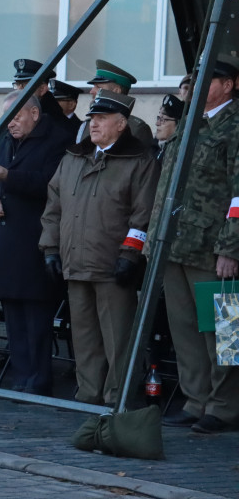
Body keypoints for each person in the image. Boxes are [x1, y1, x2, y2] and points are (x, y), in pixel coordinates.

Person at [40, 90, 157, 406]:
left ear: (121, 124)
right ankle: (89, 394)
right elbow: (54, 207)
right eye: (92, 117)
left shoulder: (138, 162)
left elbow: (142, 214)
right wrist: (51, 248)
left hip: (112, 265)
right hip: (76, 261)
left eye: (102, 118)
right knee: (85, 338)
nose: (93, 124)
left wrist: (130, 254)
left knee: (118, 338)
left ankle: (117, 398)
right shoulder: (73, 158)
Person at [149, 54, 239, 434]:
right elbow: (166, 186)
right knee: (185, 329)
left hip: (211, 248)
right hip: (176, 245)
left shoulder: (234, 127)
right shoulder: (189, 124)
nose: (199, 86)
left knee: (224, 330)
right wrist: (154, 239)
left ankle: (225, 406)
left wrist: (231, 247)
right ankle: (196, 399)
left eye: (209, 79)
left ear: (229, 84)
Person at [0, 92, 71, 395]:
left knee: (36, 318)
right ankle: (20, 376)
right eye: (7, 118)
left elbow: (51, 184)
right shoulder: (4, 141)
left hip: (35, 241)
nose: (10, 124)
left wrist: (10, 177)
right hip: (6, 241)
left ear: (34, 113)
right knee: (13, 316)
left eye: (16, 117)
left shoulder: (57, 140)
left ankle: (39, 379)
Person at [75, 59, 153, 147]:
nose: (92, 91)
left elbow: (142, 160)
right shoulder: (86, 126)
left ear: (116, 91)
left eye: (98, 87)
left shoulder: (137, 129)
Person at [11, 59, 76, 136]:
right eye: (18, 84)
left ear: (42, 89)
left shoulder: (54, 123)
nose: (19, 89)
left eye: (26, 84)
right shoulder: (14, 114)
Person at [154, 94, 183, 162]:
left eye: (163, 119)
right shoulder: (153, 147)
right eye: (158, 118)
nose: (157, 123)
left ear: (178, 124)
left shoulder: (178, 153)